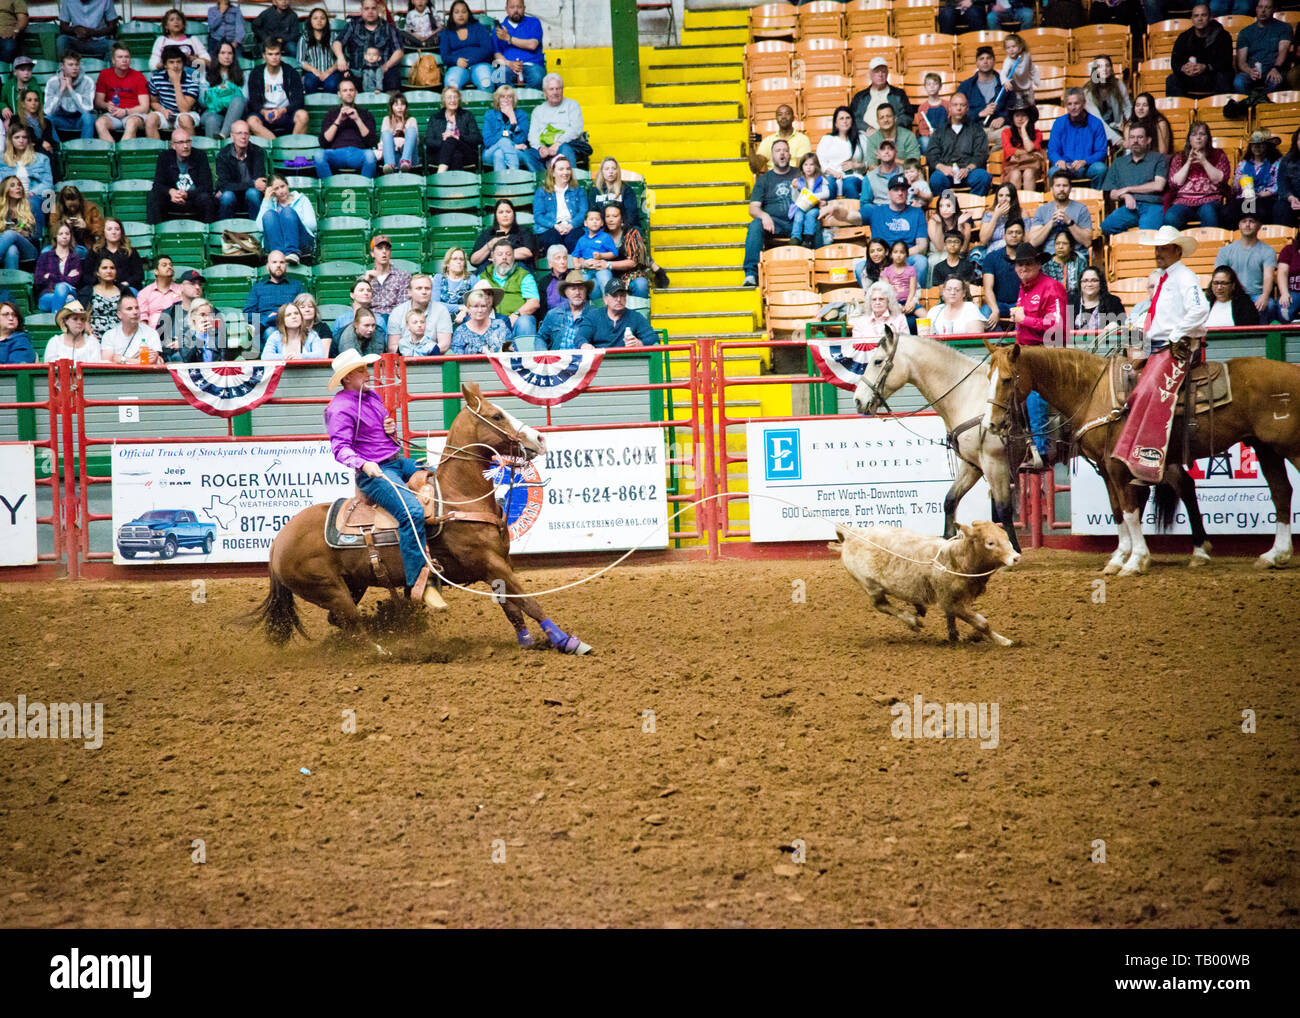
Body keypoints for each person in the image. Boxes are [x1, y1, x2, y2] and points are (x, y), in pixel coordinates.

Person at [324, 347, 445, 610]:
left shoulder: (371, 397)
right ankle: (418, 584)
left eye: (365, 368)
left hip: (396, 462)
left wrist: (389, 429)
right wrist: (363, 464)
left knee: (441, 477)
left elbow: (381, 434)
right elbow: (340, 448)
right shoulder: (340, 409)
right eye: (360, 371)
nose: (367, 374)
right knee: (411, 512)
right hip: (375, 473)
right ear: (346, 378)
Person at [1111, 226, 1210, 484]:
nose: (1158, 253)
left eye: (1163, 248)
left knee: (1151, 392)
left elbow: (1200, 309)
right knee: (1136, 390)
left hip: (1176, 347)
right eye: (1157, 248)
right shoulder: (1168, 277)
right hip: (1159, 347)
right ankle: (1132, 454)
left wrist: (1177, 334)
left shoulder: (1184, 277)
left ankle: (1149, 461)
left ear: (1177, 250)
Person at [1008, 243, 1067, 469]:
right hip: (1025, 352)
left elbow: (1058, 326)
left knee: (1033, 391)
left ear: (1039, 264)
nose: (1023, 268)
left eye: (1028, 263)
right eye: (1019, 264)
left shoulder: (1052, 288)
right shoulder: (1024, 288)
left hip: (1046, 354)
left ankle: (1041, 451)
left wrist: (1025, 320)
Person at [848, 173, 929, 288]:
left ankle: (913, 300)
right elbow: (849, 217)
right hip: (881, 258)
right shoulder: (875, 211)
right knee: (860, 267)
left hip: (906, 257)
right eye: (896, 189)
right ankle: (875, 301)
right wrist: (835, 209)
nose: (900, 193)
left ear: (907, 192)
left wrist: (897, 256)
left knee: (921, 261)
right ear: (889, 193)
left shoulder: (917, 212)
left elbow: (922, 246)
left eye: (903, 189)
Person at [742, 139, 797, 287]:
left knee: (813, 219)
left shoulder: (799, 173)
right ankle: (751, 274)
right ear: (772, 156)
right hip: (775, 224)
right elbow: (753, 208)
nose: (782, 154)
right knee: (755, 224)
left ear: (790, 155)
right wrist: (764, 215)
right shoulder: (764, 180)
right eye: (778, 151)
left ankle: (820, 265)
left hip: (798, 222)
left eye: (785, 150)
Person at [1100, 124, 1170, 235]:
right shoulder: (1118, 163)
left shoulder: (1159, 158)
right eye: (1132, 137)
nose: (1135, 141)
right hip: (1130, 208)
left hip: (1152, 206)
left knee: (1147, 235)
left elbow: (1158, 185)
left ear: (1148, 140)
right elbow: (1112, 194)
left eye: (1140, 137)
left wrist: (1128, 189)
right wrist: (1125, 195)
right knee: (1106, 227)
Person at [1165, 121, 1230, 229]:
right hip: (1183, 201)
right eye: (1194, 134)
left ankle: (1210, 245)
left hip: (1210, 200)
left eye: (1202, 134)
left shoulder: (1219, 155)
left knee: (1209, 213)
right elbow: (1175, 183)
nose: (1198, 138)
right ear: (1189, 139)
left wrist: (1203, 161)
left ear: (1208, 138)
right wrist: (1189, 161)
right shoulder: (1179, 157)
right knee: (1170, 218)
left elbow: (1220, 179)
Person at [1215, 211, 1278, 320]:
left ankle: (1262, 336)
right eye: (1244, 222)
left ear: (1259, 226)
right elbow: (1219, 276)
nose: (1247, 225)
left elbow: (1268, 276)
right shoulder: (1225, 251)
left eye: (1252, 221)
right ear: (1239, 226)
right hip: (1233, 295)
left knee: (1270, 305)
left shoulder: (1268, 251)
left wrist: (1265, 296)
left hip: (1256, 294)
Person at [927, 93, 992, 198]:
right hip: (946, 173)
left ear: (967, 108)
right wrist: (943, 168)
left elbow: (981, 155)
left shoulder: (977, 130)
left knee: (983, 176)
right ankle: (948, 209)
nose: (958, 108)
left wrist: (968, 169)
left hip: (969, 172)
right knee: (936, 179)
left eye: (962, 105)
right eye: (955, 105)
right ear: (949, 107)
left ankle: (973, 210)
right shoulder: (939, 131)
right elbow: (931, 155)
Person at [147, 129, 217, 225]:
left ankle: (209, 233)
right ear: (173, 145)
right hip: (172, 200)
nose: (185, 146)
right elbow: (157, 184)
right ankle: (155, 234)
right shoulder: (164, 157)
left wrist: (187, 194)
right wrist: (171, 192)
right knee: (153, 196)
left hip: (193, 199)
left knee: (206, 198)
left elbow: (207, 186)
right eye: (181, 142)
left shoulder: (200, 156)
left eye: (188, 142)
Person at [333, 0, 405, 93]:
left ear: (378, 10)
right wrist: (340, 58)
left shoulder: (389, 28)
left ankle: (390, 106)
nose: (370, 11)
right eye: (366, 8)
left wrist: (386, 66)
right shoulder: (352, 26)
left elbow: (399, 51)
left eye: (373, 8)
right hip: (357, 73)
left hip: (382, 72)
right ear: (361, 10)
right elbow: (337, 42)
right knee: (346, 80)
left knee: (393, 76)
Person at [314, 78, 378, 180]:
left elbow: (372, 141)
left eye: (351, 90)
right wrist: (338, 120)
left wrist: (357, 119)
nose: (348, 93)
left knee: (370, 155)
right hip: (336, 154)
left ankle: (365, 190)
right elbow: (324, 142)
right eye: (345, 90)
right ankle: (330, 190)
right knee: (318, 155)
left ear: (356, 93)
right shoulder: (331, 114)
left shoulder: (366, 114)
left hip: (359, 153)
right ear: (339, 94)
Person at [1167, 4, 1236, 98]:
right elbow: (1175, 62)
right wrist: (1183, 67)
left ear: (1210, 17)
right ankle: (1178, 111)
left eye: (1203, 15)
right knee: (1172, 79)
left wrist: (1206, 67)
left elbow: (1226, 62)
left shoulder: (1223, 35)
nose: (1200, 19)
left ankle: (1222, 109)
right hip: (1191, 77)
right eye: (1196, 16)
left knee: (1224, 77)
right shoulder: (1184, 37)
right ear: (1192, 19)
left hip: (1213, 76)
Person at [247, 39, 309, 140]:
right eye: (270, 54)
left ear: (281, 55)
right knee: (251, 121)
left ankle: (293, 149)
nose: (274, 57)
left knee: (303, 115)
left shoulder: (290, 72)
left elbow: (299, 100)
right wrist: (264, 112)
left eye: (277, 54)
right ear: (264, 56)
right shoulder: (256, 73)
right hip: (265, 113)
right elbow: (253, 101)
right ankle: (276, 148)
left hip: (286, 112)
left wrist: (283, 111)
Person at [483, 239, 541, 348]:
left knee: (526, 321)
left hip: (516, 321)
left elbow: (533, 302)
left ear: (514, 257)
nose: (504, 257)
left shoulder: (524, 276)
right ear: (492, 257)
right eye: (500, 254)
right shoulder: (483, 276)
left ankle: (525, 362)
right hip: (490, 322)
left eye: (508, 254)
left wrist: (516, 314)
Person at [1048, 89, 1109, 190]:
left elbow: (1101, 152)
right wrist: (1059, 160)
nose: (1073, 107)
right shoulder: (1059, 123)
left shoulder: (1096, 123)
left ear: (1084, 103)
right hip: (1065, 167)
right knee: (1053, 171)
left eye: (1076, 103)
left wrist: (1085, 161)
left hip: (1087, 166)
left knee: (1100, 169)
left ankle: (1097, 200)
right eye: (1069, 104)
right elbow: (1052, 150)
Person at [1, 126, 50, 243]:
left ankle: (37, 238)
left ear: (29, 140)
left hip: (34, 196)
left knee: (31, 202)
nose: (21, 140)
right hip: (8, 196)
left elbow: (48, 183)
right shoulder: (2, 161)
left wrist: (33, 192)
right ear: (10, 140)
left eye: (24, 137)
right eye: (17, 137)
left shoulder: (42, 159)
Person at [1233, 0, 1293, 95]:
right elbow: (1241, 61)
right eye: (1260, 7)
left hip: (1274, 68)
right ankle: (1248, 105)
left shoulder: (1284, 28)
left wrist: (1275, 68)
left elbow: (1283, 51)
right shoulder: (1245, 32)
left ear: (1274, 10)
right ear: (1256, 9)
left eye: (1267, 7)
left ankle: (1265, 105)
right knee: (1239, 82)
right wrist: (1249, 71)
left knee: (1276, 81)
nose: (1263, 11)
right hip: (1252, 70)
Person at [94, 44, 150, 142]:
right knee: (100, 123)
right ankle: (112, 152)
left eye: (127, 57)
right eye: (120, 57)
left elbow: (144, 107)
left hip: (133, 114)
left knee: (131, 123)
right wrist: (106, 105)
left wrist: (126, 111)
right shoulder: (104, 74)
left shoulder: (138, 76)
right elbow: (98, 102)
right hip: (113, 114)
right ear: (113, 60)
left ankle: (122, 153)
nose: (124, 60)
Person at [1028, 171, 1094, 252]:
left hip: (1074, 255)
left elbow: (1087, 242)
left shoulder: (1081, 209)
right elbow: (1033, 242)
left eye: (1065, 186)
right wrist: (1051, 223)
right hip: (1049, 257)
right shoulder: (1042, 210)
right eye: (1058, 186)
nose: (1061, 189)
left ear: (1070, 189)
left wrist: (1069, 222)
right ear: (1051, 189)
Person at [529, 73, 586, 168]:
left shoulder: (572, 105)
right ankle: (543, 180)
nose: (555, 92)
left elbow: (576, 129)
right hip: (545, 147)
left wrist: (558, 143)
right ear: (544, 92)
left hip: (566, 144)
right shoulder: (538, 110)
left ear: (562, 90)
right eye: (551, 89)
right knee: (528, 154)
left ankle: (569, 181)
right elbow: (533, 135)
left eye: (558, 88)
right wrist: (540, 147)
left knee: (565, 149)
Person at [256, 174, 316, 264]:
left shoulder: (302, 200)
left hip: (301, 243)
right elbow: (260, 227)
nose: (281, 191)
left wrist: (290, 222)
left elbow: (312, 225)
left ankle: (292, 253)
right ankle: (278, 256)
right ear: (271, 191)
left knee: (287, 212)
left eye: (282, 186)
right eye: (276, 189)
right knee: (269, 215)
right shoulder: (269, 204)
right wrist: (266, 200)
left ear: (287, 185)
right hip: (275, 246)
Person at [533, 155, 588, 254]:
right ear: (553, 172)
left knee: (573, 240)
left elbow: (583, 213)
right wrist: (555, 226)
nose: (565, 172)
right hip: (550, 228)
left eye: (568, 169)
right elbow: (538, 216)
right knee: (554, 241)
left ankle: (575, 268)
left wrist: (571, 225)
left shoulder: (579, 190)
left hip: (573, 227)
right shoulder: (542, 191)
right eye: (561, 169)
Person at [1228, 129, 1282, 227]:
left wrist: (1261, 194)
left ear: (1267, 146)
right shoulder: (1243, 164)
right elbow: (1235, 190)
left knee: (1260, 210)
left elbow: (1278, 185)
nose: (1256, 147)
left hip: (1266, 198)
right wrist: (1238, 181)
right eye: (1253, 144)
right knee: (1227, 212)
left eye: (1261, 144)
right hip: (1246, 198)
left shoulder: (1275, 163)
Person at [145, 45, 201, 138]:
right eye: (171, 62)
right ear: (165, 65)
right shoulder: (156, 79)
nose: (175, 66)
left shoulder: (192, 81)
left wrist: (176, 83)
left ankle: (192, 149)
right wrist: (163, 110)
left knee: (184, 119)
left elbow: (184, 109)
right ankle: (156, 151)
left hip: (188, 114)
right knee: (150, 118)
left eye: (179, 62)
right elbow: (154, 102)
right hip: (166, 114)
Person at [848, 56, 915, 136]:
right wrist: (868, 129)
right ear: (870, 74)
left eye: (883, 71)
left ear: (887, 73)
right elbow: (852, 117)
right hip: (866, 135)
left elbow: (907, 115)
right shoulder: (860, 97)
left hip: (892, 134)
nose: (880, 74)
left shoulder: (898, 94)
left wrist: (893, 126)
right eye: (877, 71)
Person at [216, 120, 267, 221]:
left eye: (246, 133)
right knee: (227, 196)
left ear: (249, 136)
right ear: (232, 136)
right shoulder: (223, 154)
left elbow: (260, 182)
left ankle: (257, 229)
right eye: (239, 133)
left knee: (252, 193)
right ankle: (224, 231)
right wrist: (252, 183)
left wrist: (253, 185)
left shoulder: (258, 152)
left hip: (252, 195)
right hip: (232, 195)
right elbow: (224, 185)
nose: (243, 137)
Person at [387, 273, 453, 351]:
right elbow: (392, 346)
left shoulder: (441, 310)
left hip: (433, 358)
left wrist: (423, 353)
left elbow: (444, 344)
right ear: (409, 292)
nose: (424, 292)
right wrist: (412, 354)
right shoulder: (397, 312)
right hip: (405, 358)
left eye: (427, 288)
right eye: (419, 288)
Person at [424, 84, 481, 173]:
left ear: (459, 99)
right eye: (449, 97)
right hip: (440, 154)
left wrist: (457, 137)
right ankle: (457, 185)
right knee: (456, 155)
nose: (452, 100)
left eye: (455, 97)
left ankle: (440, 174)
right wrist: (444, 142)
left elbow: (476, 138)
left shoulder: (467, 115)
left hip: (467, 153)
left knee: (451, 139)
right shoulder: (435, 118)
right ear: (444, 100)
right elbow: (428, 140)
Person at [440, 0, 495, 91]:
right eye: (457, 12)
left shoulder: (479, 28)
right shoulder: (446, 32)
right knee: (451, 84)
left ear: (468, 13)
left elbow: (488, 49)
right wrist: (456, 60)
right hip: (457, 67)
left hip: (480, 65)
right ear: (452, 15)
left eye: (464, 11)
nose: (460, 15)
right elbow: (445, 56)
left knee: (486, 83)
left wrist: (469, 61)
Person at [482, 85, 539, 173]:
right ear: (498, 99)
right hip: (490, 152)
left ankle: (501, 186)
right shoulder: (490, 115)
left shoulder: (521, 115)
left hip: (517, 153)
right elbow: (488, 142)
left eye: (509, 97)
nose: (506, 100)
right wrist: (512, 144)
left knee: (499, 154)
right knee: (504, 142)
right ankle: (514, 175)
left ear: (513, 99)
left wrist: (513, 120)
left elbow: (522, 140)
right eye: (502, 97)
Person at [588, 279, 658, 349]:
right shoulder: (594, 316)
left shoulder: (635, 316)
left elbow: (653, 337)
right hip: (601, 358)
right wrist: (585, 344)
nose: (619, 299)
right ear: (605, 299)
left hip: (627, 358)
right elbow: (581, 336)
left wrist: (640, 343)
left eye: (622, 295)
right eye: (614, 296)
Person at [536, 270, 596, 351]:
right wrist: (543, 354)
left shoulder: (595, 315)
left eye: (581, 288)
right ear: (566, 292)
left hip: (584, 361)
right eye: (573, 289)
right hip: (557, 360)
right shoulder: (553, 314)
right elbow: (540, 338)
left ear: (586, 292)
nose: (577, 292)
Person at [244, 250, 304, 332]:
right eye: (274, 262)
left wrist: (283, 316)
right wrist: (267, 318)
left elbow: (303, 309)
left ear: (286, 266)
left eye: (282, 262)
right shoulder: (258, 287)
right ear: (267, 266)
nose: (278, 265)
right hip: (268, 328)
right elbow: (247, 314)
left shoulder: (297, 285)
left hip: (290, 325)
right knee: (271, 331)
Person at [492, 0, 546, 89]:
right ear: (506, 9)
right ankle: (510, 101)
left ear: (524, 8)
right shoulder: (499, 29)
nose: (516, 10)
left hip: (532, 64)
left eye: (519, 7)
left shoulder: (534, 22)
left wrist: (508, 38)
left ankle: (529, 101)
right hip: (508, 66)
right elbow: (497, 53)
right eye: (512, 7)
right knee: (499, 77)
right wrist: (509, 63)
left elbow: (532, 45)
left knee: (537, 78)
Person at [601, 203, 651, 299]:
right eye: (607, 216)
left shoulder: (632, 233)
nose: (611, 220)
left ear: (622, 218)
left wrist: (608, 265)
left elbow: (633, 262)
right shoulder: (601, 235)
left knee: (641, 284)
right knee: (593, 286)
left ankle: (640, 313)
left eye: (615, 216)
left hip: (629, 275)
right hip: (606, 276)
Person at [470, 198, 537, 269]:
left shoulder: (524, 231)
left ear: (513, 214)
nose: (505, 215)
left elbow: (528, 252)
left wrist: (498, 255)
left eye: (508, 212)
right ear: (496, 216)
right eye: (501, 212)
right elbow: (474, 260)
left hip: (518, 269)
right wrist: (489, 246)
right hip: (492, 270)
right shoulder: (487, 233)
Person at [816, 106, 866, 201]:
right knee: (829, 184)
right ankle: (828, 213)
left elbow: (868, 164)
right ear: (836, 123)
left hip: (853, 176)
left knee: (850, 184)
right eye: (841, 118)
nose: (845, 121)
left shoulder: (861, 139)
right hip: (831, 175)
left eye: (848, 118)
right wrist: (833, 172)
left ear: (852, 120)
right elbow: (820, 162)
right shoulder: (827, 139)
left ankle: (853, 214)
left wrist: (856, 165)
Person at [956, 47, 1009, 134]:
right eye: (981, 59)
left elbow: (1013, 109)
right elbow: (958, 113)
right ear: (976, 63)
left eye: (988, 58)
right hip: (973, 130)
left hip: (998, 130)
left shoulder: (1005, 84)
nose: (985, 61)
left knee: (1008, 134)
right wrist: (979, 113)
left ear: (994, 61)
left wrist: (1003, 118)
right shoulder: (965, 87)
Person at [982, 219, 1027, 320]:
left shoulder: (1029, 259)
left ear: (1023, 236)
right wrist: (994, 309)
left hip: (1021, 305)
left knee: (1027, 316)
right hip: (998, 304)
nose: (1014, 235)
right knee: (985, 312)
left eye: (1018, 232)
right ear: (1004, 236)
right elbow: (988, 288)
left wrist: (1021, 308)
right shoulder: (992, 257)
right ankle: (994, 337)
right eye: (1010, 232)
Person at [43, 52, 95, 140]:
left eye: (76, 64)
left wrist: (71, 89)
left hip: (79, 119)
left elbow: (87, 108)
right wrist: (61, 91)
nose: (74, 68)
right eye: (70, 65)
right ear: (62, 66)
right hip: (61, 119)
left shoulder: (88, 81)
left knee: (89, 117)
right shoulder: (52, 82)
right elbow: (48, 111)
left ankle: (86, 148)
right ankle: (58, 148)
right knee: (47, 119)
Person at [1083, 55, 1131, 147]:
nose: (1104, 69)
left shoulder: (1119, 85)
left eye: (1107, 65)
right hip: (1095, 132)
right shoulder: (1087, 92)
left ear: (1111, 69)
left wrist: (1131, 126)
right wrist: (1118, 140)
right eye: (1100, 67)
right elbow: (1098, 121)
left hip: (1116, 129)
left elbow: (1127, 107)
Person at [201, 41, 246, 140]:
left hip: (235, 113)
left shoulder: (241, 75)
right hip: (212, 112)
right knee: (211, 120)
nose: (227, 56)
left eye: (230, 53)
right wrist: (224, 98)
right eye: (223, 53)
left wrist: (222, 95)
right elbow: (202, 101)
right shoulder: (206, 75)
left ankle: (223, 135)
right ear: (217, 55)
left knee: (238, 100)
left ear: (234, 56)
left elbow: (245, 99)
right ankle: (215, 153)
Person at [450, 281, 511, 353]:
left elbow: (510, 350)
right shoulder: (461, 331)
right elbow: (456, 358)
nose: (480, 310)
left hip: (498, 363)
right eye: (475, 306)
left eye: (483, 306)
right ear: (468, 308)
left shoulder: (500, 324)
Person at [99, 293, 162, 364]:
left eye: (137, 308)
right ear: (119, 314)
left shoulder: (151, 333)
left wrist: (123, 359)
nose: (135, 312)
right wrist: (138, 361)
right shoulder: (109, 335)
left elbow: (151, 361)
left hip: (143, 374)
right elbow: (107, 363)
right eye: (129, 309)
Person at [1001, 98, 1046, 193]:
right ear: (1013, 118)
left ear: (1029, 118)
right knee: (1016, 174)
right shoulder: (1006, 133)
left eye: (1023, 116)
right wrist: (1029, 154)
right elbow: (1009, 150)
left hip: (1032, 168)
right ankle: (1015, 206)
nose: (1020, 119)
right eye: (1017, 115)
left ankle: (1029, 204)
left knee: (1028, 173)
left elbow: (1029, 148)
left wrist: (1023, 130)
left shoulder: (1037, 133)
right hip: (1012, 168)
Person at [751, 103, 810, 176]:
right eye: (780, 114)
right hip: (772, 182)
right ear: (776, 119)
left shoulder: (802, 139)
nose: (783, 117)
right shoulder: (768, 140)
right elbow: (755, 168)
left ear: (793, 118)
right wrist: (750, 147)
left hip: (794, 181)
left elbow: (801, 169)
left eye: (787, 114)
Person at [787, 153, 830, 250]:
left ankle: (808, 239)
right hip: (802, 206)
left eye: (811, 165)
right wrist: (794, 188)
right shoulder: (799, 180)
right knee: (798, 216)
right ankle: (795, 238)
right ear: (802, 167)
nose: (808, 168)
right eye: (805, 165)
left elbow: (826, 193)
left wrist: (812, 197)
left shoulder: (820, 179)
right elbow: (795, 199)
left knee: (810, 215)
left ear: (816, 166)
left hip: (814, 207)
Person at [364, 235, 411, 321]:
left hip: (393, 320)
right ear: (372, 254)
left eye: (387, 248)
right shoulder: (364, 279)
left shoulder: (402, 277)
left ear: (390, 253)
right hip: (370, 322)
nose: (384, 251)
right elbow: (359, 307)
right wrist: (366, 282)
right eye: (380, 248)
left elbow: (403, 307)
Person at [1070, 267, 1127, 335]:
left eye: (1094, 280)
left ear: (1101, 283)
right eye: (1085, 281)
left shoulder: (1113, 302)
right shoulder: (1071, 302)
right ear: (1080, 283)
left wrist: (1115, 325)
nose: (1089, 284)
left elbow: (1122, 323)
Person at [91, 218, 143, 293]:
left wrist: (127, 283)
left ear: (121, 232)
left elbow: (139, 274)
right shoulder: (96, 251)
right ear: (103, 232)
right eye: (109, 229)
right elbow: (88, 276)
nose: (114, 232)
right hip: (102, 289)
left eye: (117, 229)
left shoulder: (130, 251)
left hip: (126, 289)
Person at [570, 207, 618, 287]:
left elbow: (614, 253)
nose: (594, 222)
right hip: (586, 270)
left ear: (602, 223)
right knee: (579, 283)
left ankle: (608, 298)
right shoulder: (582, 239)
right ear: (585, 223)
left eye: (597, 219)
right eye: (591, 219)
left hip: (601, 269)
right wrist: (579, 265)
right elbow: (575, 255)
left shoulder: (605, 237)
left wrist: (601, 256)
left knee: (605, 280)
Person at [860, 103, 920, 167]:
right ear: (878, 122)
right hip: (881, 175)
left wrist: (891, 159)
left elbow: (915, 163)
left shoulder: (908, 136)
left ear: (895, 118)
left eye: (888, 116)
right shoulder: (873, 139)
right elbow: (871, 166)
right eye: (881, 117)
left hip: (905, 175)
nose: (885, 120)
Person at [50, 184, 104, 255]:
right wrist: (63, 225)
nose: (72, 209)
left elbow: (100, 230)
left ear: (79, 200)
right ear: (63, 202)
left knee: (76, 252)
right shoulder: (56, 210)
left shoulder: (90, 209)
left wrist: (87, 227)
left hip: (86, 244)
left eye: (75, 206)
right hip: (62, 244)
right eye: (70, 206)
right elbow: (52, 231)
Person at [299, 8, 340, 96]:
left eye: (322, 18)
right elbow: (300, 61)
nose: (319, 21)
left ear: (326, 21)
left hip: (331, 71)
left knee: (332, 84)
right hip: (312, 72)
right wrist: (314, 70)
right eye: (315, 18)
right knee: (309, 83)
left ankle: (330, 109)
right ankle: (313, 108)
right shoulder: (304, 38)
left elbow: (340, 59)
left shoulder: (334, 37)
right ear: (310, 21)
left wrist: (329, 71)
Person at [1122, 92, 1174, 157]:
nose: (1140, 108)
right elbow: (1129, 148)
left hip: (1156, 160)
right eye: (1137, 105)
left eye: (1145, 105)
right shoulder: (1129, 125)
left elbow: (1163, 152)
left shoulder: (1160, 123)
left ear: (1151, 108)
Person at [0, 175, 36, 269]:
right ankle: (12, 283)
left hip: (29, 250)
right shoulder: (1, 210)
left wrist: (24, 233)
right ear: (5, 190)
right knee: (11, 250)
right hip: (7, 247)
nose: (18, 187)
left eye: (19, 185)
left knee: (10, 234)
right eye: (12, 185)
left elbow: (38, 237)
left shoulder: (30, 207)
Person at [136, 254, 180, 327]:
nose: (169, 267)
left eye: (171, 265)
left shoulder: (181, 290)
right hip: (153, 334)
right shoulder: (144, 293)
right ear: (156, 271)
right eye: (164, 265)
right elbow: (142, 319)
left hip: (176, 333)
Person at [881, 239, 919, 324]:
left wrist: (908, 304)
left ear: (906, 255)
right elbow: (887, 291)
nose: (898, 255)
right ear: (891, 254)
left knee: (924, 314)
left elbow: (913, 289)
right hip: (893, 302)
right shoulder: (887, 271)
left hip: (908, 301)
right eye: (895, 252)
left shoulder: (911, 270)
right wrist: (896, 306)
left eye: (902, 252)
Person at [429, 249, 476, 318]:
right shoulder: (439, 278)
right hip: (441, 317)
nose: (459, 262)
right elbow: (435, 304)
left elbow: (476, 303)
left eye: (461, 259)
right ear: (447, 263)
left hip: (466, 317)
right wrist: (459, 307)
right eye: (455, 259)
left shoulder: (472, 279)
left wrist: (464, 311)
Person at [381, 91, 418, 173]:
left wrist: (404, 129)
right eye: (396, 105)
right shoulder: (386, 120)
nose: (400, 107)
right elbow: (382, 143)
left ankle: (405, 161)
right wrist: (393, 130)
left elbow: (416, 142)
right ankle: (390, 165)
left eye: (402, 104)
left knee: (411, 130)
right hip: (393, 156)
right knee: (386, 133)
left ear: (406, 107)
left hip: (411, 158)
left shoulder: (411, 120)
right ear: (391, 107)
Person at [914, 72, 950, 156]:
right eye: (929, 84)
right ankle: (931, 165)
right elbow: (922, 128)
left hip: (945, 136)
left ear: (940, 86)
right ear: (925, 87)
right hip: (929, 137)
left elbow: (951, 123)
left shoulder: (947, 105)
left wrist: (941, 134)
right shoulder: (922, 107)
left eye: (935, 84)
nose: (932, 87)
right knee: (924, 141)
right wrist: (929, 134)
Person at [864, 139, 903, 206]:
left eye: (890, 149)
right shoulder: (870, 177)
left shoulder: (906, 174)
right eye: (883, 149)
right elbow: (865, 203)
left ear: (896, 153)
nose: (887, 152)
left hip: (902, 212)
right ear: (878, 154)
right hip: (879, 212)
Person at [1, 55, 36, 127]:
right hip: (12, 118)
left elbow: (38, 103)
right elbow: (2, 101)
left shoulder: (34, 85)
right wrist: (4, 108)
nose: (26, 73)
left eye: (29, 70)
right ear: (15, 72)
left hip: (29, 118)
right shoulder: (8, 85)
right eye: (22, 70)